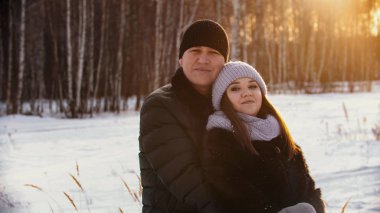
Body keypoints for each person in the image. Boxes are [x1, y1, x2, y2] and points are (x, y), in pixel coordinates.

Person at [202, 61, 325, 213]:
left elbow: (310, 192)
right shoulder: (221, 142)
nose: (246, 92)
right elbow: (233, 201)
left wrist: (312, 208)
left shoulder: (281, 136)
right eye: (235, 88)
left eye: (252, 86)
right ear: (223, 99)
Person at [139, 19, 229, 212]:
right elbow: (186, 179)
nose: (203, 59)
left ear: (225, 62)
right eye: (195, 50)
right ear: (181, 59)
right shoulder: (159, 106)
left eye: (213, 52)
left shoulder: (233, 103)